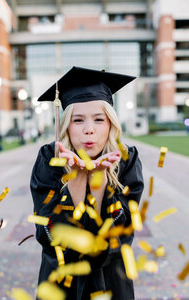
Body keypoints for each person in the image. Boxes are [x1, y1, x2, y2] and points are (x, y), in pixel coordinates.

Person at [30, 66, 144, 300]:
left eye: (99, 119)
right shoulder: (49, 159)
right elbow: (50, 237)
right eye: (77, 120)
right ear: (65, 126)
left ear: (111, 124)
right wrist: (78, 177)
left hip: (111, 280)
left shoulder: (126, 160)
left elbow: (116, 240)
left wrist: (99, 178)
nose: (89, 130)